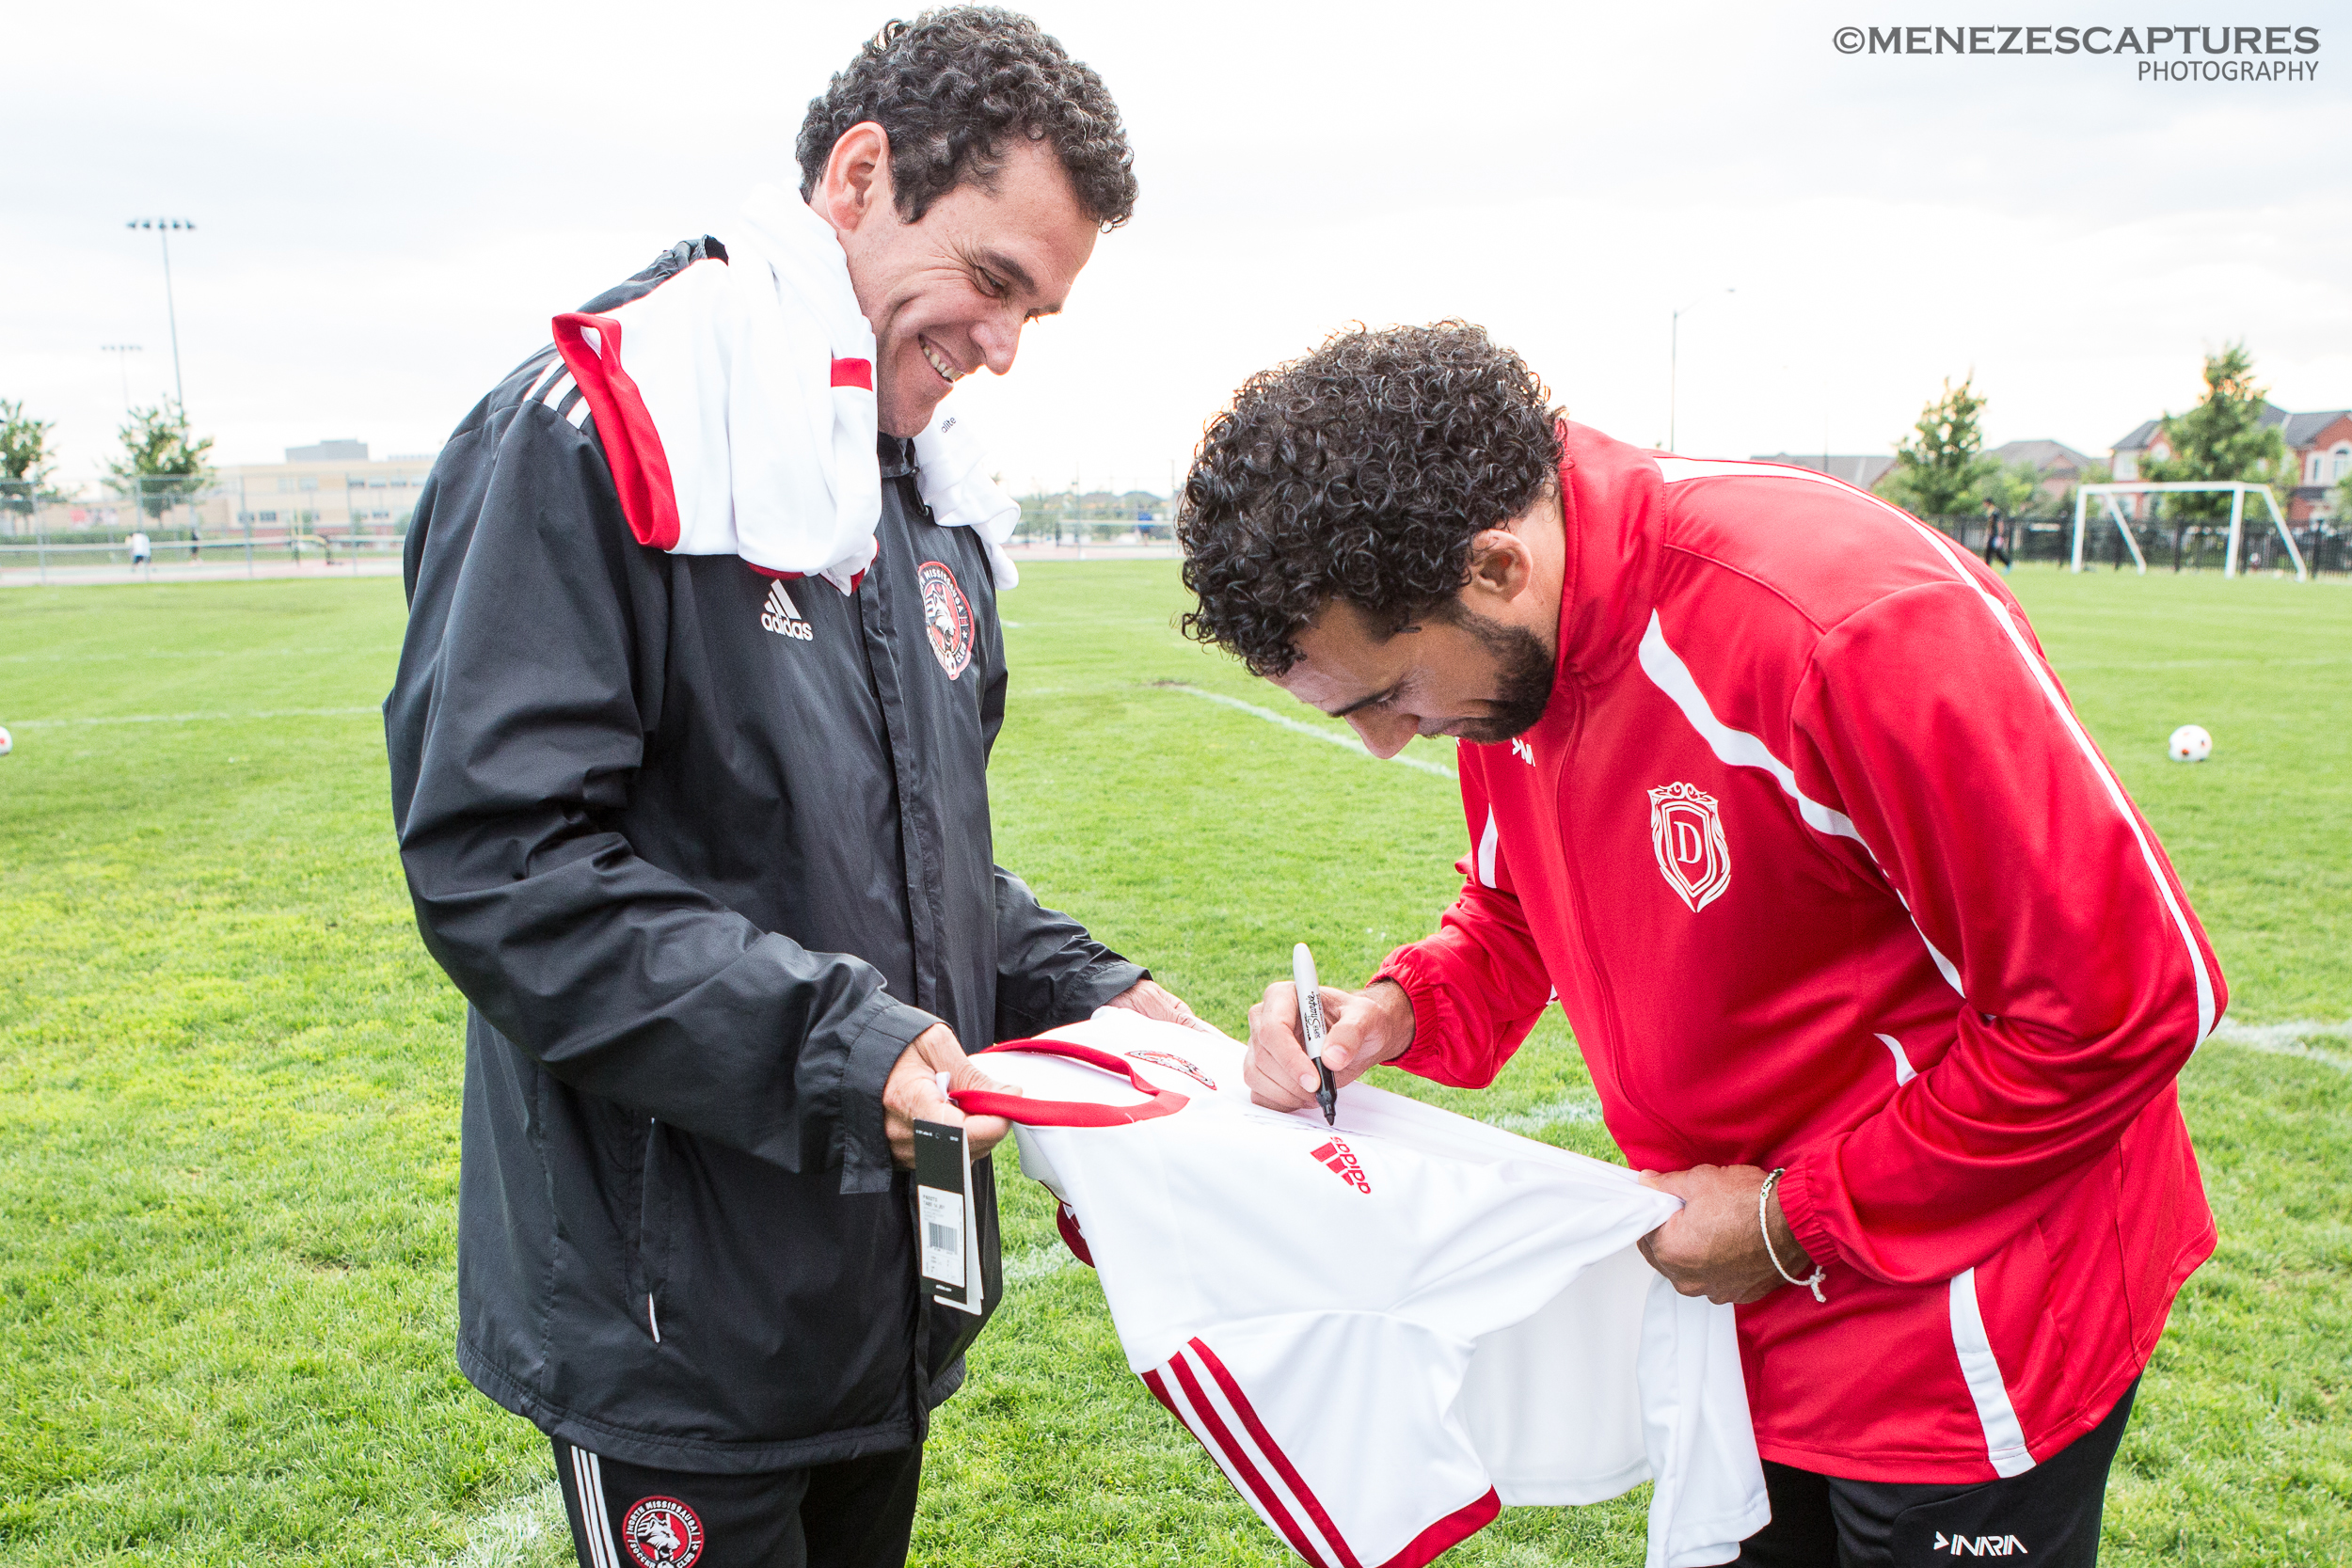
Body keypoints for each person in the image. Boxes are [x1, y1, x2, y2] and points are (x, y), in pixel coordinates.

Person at [1176, 323, 2222, 1568]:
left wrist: (1795, 1214)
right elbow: (1519, 909)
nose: (1390, 742)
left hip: (1967, 1327)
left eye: (1389, 693)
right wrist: (1397, 1007)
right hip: (1749, 1301)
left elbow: (2128, 1005)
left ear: (1497, 565)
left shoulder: (1847, 623)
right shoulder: (1511, 657)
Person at [385, 12, 1194, 1568]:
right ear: (858, 175)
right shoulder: (595, 426)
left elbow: (909, 856)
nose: (1004, 347)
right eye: (994, 281)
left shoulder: (917, 485)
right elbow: (503, 865)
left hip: (872, 1289)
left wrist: (1101, 994)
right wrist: (836, 1045)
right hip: (674, 1309)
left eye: (1041, 309)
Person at [1980, 497, 2010, 573]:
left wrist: (2000, 535)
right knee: (1988, 551)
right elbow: (1990, 524)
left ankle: (2007, 563)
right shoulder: (1990, 511)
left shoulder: (1995, 511)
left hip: (1995, 535)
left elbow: (2000, 523)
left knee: (1997, 552)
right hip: (1992, 535)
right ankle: (1987, 567)